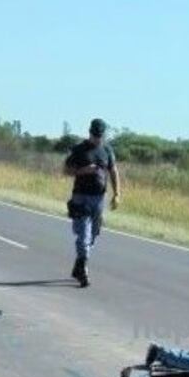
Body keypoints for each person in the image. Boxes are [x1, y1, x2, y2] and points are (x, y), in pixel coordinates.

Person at [63, 118, 121, 287]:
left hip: (98, 199)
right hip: (81, 197)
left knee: (93, 234)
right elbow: (66, 170)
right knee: (84, 235)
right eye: (95, 135)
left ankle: (79, 265)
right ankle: (83, 272)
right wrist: (84, 170)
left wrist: (117, 193)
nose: (98, 138)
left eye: (100, 135)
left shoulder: (107, 150)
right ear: (90, 132)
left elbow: (113, 171)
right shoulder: (79, 149)